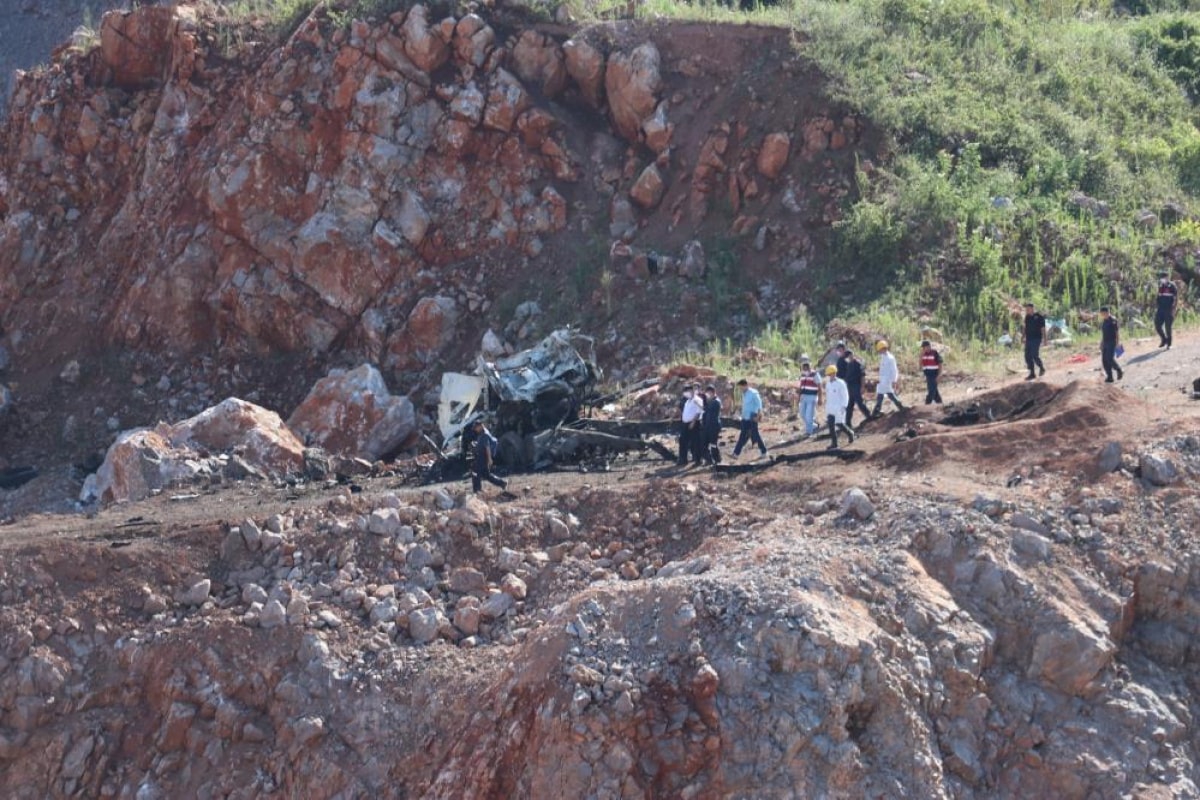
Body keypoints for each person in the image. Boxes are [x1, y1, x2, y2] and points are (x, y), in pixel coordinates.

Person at [731, 378, 768, 459]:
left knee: (756, 435)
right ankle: (736, 453)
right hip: (745, 418)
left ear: (746, 385)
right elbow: (745, 406)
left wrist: (758, 416)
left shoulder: (753, 393)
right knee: (742, 435)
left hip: (752, 417)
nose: (740, 389)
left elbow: (759, 405)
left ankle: (764, 451)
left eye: (741, 387)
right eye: (740, 388)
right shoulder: (744, 394)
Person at [469, 420, 508, 495]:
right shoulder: (483, 432)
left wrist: (490, 459)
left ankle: (477, 490)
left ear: (480, 426)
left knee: (475, 472)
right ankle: (502, 483)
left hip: (483, 457)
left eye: (476, 427)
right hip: (483, 456)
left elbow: (487, 447)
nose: (475, 429)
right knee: (486, 475)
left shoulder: (484, 434)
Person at [823, 365, 856, 450]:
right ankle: (834, 443)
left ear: (835, 373)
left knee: (839, 424)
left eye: (831, 374)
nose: (830, 376)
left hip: (839, 407)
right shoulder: (828, 384)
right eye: (829, 374)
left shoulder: (841, 383)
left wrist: (844, 406)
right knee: (830, 425)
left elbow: (845, 396)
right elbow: (828, 396)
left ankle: (850, 433)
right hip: (830, 407)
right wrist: (826, 406)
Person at [871, 340, 905, 417]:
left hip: (888, 380)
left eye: (879, 350)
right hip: (883, 380)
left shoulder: (890, 358)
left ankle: (901, 407)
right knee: (883, 395)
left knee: (889, 395)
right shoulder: (883, 357)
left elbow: (894, 370)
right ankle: (877, 411)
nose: (879, 351)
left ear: (883, 348)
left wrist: (894, 381)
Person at [843, 348, 872, 427]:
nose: (848, 358)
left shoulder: (858, 364)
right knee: (849, 405)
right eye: (846, 357)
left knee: (860, 403)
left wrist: (862, 387)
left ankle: (869, 416)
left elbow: (862, 376)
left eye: (848, 356)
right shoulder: (848, 365)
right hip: (850, 386)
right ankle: (848, 423)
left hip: (856, 385)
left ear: (851, 355)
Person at [678, 384, 704, 465]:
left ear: (692, 391)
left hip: (694, 423)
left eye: (688, 391)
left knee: (696, 442)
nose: (686, 393)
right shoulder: (687, 401)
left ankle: (698, 460)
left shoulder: (697, 400)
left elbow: (699, 411)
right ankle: (683, 459)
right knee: (682, 441)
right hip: (685, 424)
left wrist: (693, 422)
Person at [796, 358, 822, 436]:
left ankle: (809, 432)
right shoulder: (802, 375)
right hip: (804, 397)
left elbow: (819, 386)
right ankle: (814, 425)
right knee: (802, 414)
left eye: (806, 366)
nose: (804, 368)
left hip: (812, 396)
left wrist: (820, 398)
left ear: (809, 366)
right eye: (803, 366)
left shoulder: (815, 374)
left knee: (808, 415)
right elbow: (801, 387)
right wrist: (799, 397)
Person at [1023, 301, 1046, 380]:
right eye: (1026, 309)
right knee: (1027, 356)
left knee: (1034, 355)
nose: (1027, 311)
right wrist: (1023, 336)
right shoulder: (1027, 317)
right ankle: (1032, 373)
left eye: (1028, 309)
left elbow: (1043, 329)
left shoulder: (1039, 316)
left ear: (1032, 309)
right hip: (1029, 339)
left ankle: (1041, 367)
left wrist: (1045, 339)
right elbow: (1025, 328)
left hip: (1036, 338)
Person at [1099, 306, 1124, 383]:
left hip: (1112, 342)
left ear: (1107, 312)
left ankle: (1119, 370)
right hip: (1105, 342)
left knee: (1109, 358)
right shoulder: (1104, 321)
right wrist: (1101, 343)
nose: (1102, 315)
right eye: (1102, 314)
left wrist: (1117, 343)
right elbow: (1104, 333)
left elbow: (1117, 333)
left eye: (1103, 313)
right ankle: (1110, 377)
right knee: (1104, 360)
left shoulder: (1113, 320)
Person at [1155, 272, 1178, 349]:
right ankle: (1164, 339)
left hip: (1169, 309)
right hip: (1161, 309)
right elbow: (1158, 296)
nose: (1162, 279)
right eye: (1161, 277)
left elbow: (1175, 298)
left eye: (1163, 277)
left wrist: (1174, 309)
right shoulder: (1160, 286)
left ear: (1168, 277)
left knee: (1168, 327)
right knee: (1157, 325)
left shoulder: (1172, 286)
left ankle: (1169, 343)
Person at [701, 384, 723, 465]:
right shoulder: (709, 401)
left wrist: (704, 401)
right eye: (707, 393)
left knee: (713, 444)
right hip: (707, 426)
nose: (708, 395)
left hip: (714, 426)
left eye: (709, 393)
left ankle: (717, 459)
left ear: (714, 393)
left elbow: (706, 408)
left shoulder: (716, 402)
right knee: (703, 444)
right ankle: (708, 459)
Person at [920, 340, 943, 404]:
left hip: (934, 375)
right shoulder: (923, 354)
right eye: (923, 348)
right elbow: (920, 365)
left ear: (929, 346)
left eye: (925, 347)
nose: (924, 349)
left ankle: (927, 405)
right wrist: (921, 356)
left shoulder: (935, 353)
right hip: (928, 375)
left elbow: (940, 364)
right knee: (935, 393)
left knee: (931, 392)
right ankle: (940, 404)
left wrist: (939, 375)